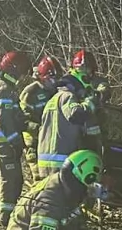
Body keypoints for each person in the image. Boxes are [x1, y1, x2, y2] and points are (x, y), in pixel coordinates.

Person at [35, 49, 109, 177]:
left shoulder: (56, 97)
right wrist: (91, 102)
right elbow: (76, 114)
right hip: (59, 164)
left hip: (52, 163)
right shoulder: (66, 96)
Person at [0, 50, 29, 226]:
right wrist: (15, 141)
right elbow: (5, 120)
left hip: (0, 143)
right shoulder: (4, 89)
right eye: (21, 70)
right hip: (5, 144)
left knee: (2, 177)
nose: (22, 74)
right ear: (13, 69)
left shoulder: (2, 86)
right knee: (11, 180)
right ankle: (6, 219)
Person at [19, 54, 62, 178]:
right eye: (52, 78)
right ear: (43, 77)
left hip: (53, 145)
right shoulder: (30, 93)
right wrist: (41, 130)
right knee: (40, 181)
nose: (55, 82)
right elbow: (23, 121)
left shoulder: (56, 92)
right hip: (35, 145)